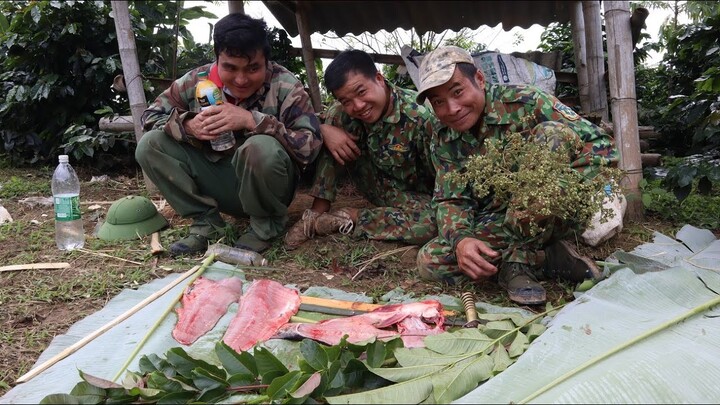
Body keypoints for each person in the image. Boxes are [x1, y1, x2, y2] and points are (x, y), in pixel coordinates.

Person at [414, 46, 619, 305]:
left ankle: (519, 262)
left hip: (556, 210)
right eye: (439, 102)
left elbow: (602, 146)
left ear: (479, 79)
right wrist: (461, 240)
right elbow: (451, 200)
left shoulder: (527, 102)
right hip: (502, 221)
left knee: (553, 134)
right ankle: (547, 259)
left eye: (457, 92)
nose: (452, 108)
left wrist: (560, 187)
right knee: (431, 261)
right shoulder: (444, 137)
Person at [136, 13, 322, 256]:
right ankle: (207, 224)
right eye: (230, 68)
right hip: (218, 179)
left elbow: (310, 148)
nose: (241, 79)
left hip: (269, 188)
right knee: (150, 145)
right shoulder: (195, 81)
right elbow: (149, 117)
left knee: (260, 147)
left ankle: (265, 227)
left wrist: (252, 120)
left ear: (266, 61)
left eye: (253, 68)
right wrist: (187, 125)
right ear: (217, 60)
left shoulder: (285, 85)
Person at [284, 49, 440, 249]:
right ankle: (316, 214)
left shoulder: (420, 117)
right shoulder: (343, 115)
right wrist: (324, 129)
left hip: (412, 197)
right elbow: (310, 122)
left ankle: (350, 217)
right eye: (346, 100)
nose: (357, 106)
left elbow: (440, 182)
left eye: (361, 92)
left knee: (432, 224)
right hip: (374, 186)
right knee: (334, 118)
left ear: (379, 78)